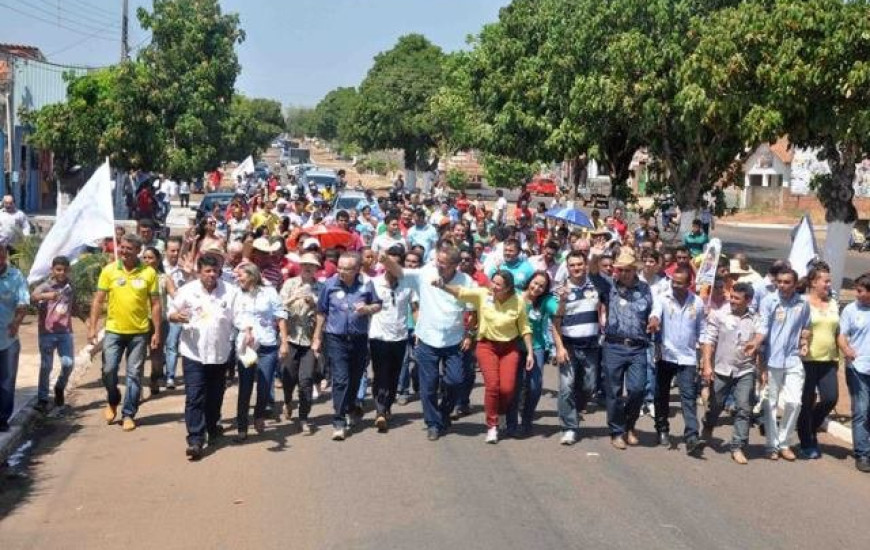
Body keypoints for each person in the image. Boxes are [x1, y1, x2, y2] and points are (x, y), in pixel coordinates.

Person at [379, 245, 474, 441]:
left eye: (443, 263)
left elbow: (473, 311)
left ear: (455, 265)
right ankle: (432, 423)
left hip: (453, 341)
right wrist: (385, 260)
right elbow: (401, 272)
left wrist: (469, 334)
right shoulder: (426, 272)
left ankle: (444, 412)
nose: (438, 264)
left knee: (455, 381)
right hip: (427, 340)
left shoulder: (466, 281)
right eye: (437, 260)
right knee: (429, 385)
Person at [438, 270, 533, 444]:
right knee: (492, 386)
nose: (493, 286)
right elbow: (461, 292)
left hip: (509, 348)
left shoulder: (518, 301)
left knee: (508, 389)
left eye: (498, 284)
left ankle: (502, 412)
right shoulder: (483, 294)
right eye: (493, 282)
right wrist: (443, 286)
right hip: (487, 346)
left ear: (508, 288)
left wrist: (530, 353)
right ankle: (492, 426)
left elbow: (525, 327)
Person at [168, 254, 240, 460]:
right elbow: (171, 312)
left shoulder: (231, 292)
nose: (212, 275)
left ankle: (212, 425)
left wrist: (248, 333)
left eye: (215, 271)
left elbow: (240, 318)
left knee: (215, 396)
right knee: (195, 396)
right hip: (193, 353)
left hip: (220, 353)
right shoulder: (187, 291)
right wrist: (176, 316)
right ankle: (195, 440)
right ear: (199, 272)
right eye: (207, 271)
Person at [88, 234, 162, 432]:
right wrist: (92, 327)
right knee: (109, 369)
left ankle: (128, 413)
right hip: (114, 330)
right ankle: (113, 398)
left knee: (134, 374)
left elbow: (156, 304)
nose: (124, 251)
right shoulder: (109, 270)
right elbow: (98, 300)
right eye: (122, 247)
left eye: (129, 248)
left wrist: (156, 332)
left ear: (138, 250)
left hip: (139, 332)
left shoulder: (149, 273)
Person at [312, 252, 381, 441]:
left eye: (347, 269)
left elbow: (377, 305)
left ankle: (350, 406)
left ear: (357, 269)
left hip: (359, 338)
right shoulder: (329, 285)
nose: (341, 271)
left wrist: (367, 309)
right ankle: (339, 421)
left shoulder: (366, 285)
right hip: (336, 338)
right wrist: (317, 337)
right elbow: (321, 312)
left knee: (355, 378)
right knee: (341, 379)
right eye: (340, 267)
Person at [748, 267, 810, 461]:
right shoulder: (769, 301)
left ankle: (784, 443)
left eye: (786, 282)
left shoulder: (803, 303)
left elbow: (806, 327)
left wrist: (804, 342)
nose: (782, 285)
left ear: (795, 284)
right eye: (779, 282)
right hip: (772, 359)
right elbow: (763, 328)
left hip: (793, 359)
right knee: (771, 402)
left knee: (794, 402)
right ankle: (771, 445)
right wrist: (756, 344)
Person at [601, 249, 657, 450]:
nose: (623, 274)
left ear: (634, 270)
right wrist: (596, 254)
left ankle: (629, 425)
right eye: (620, 270)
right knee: (614, 391)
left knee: (637, 389)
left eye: (628, 270)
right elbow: (593, 273)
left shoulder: (645, 289)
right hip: (614, 345)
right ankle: (617, 431)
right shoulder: (609, 286)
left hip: (637, 347)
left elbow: (653, 309)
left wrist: (654, 318)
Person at [552, 251, 608, 445]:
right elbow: (555, 322)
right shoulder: (559, 290)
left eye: (579, 264)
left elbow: (607, 303)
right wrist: (559, 348)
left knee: (589, 386)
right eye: (572, 265)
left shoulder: (596, 286)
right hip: (568, 345)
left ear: (585, 266)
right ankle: (569, 427)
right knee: (566, 387)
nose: (576, 268)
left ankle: (575, 408)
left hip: (591, 346)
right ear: (567, 268)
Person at [701, 282, 760, 464]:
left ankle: (737, 446)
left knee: (744, 408)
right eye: (731, 297)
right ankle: (708, 426)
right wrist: (707, 365)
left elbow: (761, 342)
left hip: (745, 370)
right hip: (722, 369)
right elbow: (709, 340)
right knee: (716, 405)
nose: (732, 301)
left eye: (737, 298)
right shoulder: (719, 315)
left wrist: (762, 366)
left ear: (748, 300)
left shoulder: (756, 319)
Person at [650, 266, 706, 455]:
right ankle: (662, 429)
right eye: (673, 282)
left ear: (689, 284)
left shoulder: (697, 302)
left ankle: (692, 437)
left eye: (679, 283)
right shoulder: (663, 298)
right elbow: (655, 313)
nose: (675, 286)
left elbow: (702, 330)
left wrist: (704, 358)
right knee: (661, 395)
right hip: (665, 355)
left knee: (688, 397)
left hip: (687, 357)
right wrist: (654, 321)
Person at [234, 263, 289, 440]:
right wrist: (247, 330)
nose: (238, 279)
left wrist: (284, 342)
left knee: (265, 385)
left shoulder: (269, 292)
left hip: (267, 344)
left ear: (252, 275)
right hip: (247, 346)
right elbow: (236, 317)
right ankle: (242, 426)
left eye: (241, 275)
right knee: (245, 386)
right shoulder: (237, 293)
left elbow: (280, 316)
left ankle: (259, 415)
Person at [368, 246, 416, 432]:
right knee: (380, 373)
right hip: (378, 336)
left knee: (394, 374)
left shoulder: (408, 284)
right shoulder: (374, 283)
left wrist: (418, 329)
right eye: (389, 263)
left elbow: (415, 308)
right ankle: (380, 411)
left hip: (400, 336)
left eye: (395, 264)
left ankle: (387, 406)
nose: (391, 267)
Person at [506, 271, 559, 437]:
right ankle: (511, 423)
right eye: (535, 283)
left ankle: (527, 421)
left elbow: (558, 310)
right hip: (514, 345)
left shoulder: (546, 300)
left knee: (535, 386)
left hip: (536, 347)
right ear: (529, 281)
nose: (537, 288)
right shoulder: (515, 295)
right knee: (513, 387)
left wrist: (563, 300)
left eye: (542, 286)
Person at [798, 264, 840, 459]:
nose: (829, 284)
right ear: (814, 283)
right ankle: (806, 441)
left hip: (829, 360)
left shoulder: (833, 303)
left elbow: (838, 331)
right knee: (806, 402)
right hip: (806, 360)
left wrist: (841, 353)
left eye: (830, 281)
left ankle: (811, 426)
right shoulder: (802, 303)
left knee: (830, 398)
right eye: (826, 281)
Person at [279, 253, 323, 435]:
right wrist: (293, 298)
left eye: (311, 265)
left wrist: (313, 303)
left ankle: (304, 418)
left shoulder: (320, 287)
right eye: (304, 264)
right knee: (288, 376)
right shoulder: (290, 284)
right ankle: (288, 401)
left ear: (316, 269)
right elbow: (279, 308)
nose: (307, 267)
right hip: (290, 337)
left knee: (306, 380)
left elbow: (324, 312)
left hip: (309, 340)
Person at [32, 256, 79, 413]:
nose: (61, 273)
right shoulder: (45, 286)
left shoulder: (70, 287)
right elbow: (33, 296)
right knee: (46, 366)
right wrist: (46, 296)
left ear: (69, 270)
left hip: (65, 332)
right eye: (58, 270)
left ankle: (60, 386)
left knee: (68, 363)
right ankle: (42, 399)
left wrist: (86, 320)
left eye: (65, 270)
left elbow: (74, 306)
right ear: (52, 270)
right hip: (47, 332)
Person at [838, 273, 870, 473]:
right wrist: (846, 349)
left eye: (860, 290)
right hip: (858, 368)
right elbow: (842, 335)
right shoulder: (851, 309)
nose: (856, 294)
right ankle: (862, 454)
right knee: (861, 411)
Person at [0, 242, 30, 432]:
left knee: (7, 381)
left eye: (1, 254)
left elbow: (23, 301)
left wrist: (17, 322)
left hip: (8, 338)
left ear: (5, 256)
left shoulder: (16, 276)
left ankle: (2, 419)